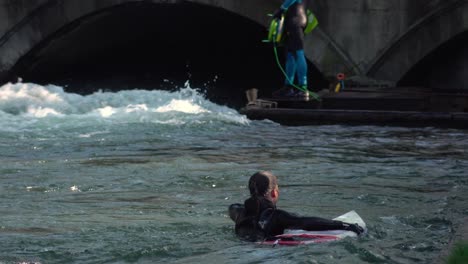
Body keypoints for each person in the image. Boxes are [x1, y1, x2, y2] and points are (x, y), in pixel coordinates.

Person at [228, 171, 364, 242]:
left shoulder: (237, 212)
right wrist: (344, 225)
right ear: (275, 192)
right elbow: (304, 222)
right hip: (265, 253)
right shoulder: (276, 216)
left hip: (243, 245)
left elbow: (233, 207)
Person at [271, 0, 310, 100]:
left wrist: (281, 9)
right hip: (295, 18)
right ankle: (288, 87)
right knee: (290, 54)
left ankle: (303, 88)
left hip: (295, 20)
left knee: (298, 52)